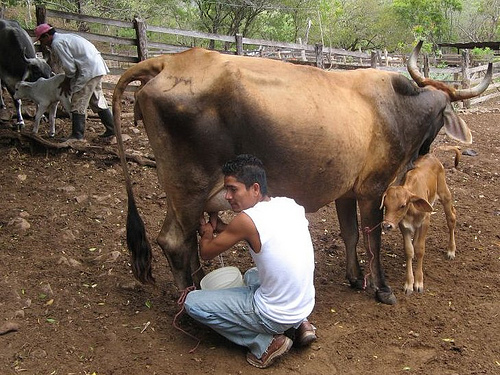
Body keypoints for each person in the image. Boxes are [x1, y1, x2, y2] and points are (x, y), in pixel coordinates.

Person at [184, 154, 316, 369]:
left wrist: (207, 234)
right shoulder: (289, 205)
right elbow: (257, 233)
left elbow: (207, 253)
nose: (227, 196)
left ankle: (265, 343)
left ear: (255, 188)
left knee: (193, 303)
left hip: (274, 314)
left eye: (233, 189)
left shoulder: (246, 221)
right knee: (252, 275)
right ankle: (301, 324)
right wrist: (223, 229)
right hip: (303, 304)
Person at [34, 23, 115, 141]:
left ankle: (77, 135)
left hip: (88, 70)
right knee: (96, 99)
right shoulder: (66, 37)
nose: (42, 43)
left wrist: (67, 81)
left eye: (42, 39)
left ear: (46, 36)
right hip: (95, 67)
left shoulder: (57, 43)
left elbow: (69, 67)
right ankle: (112, 129)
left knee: (78, 100)